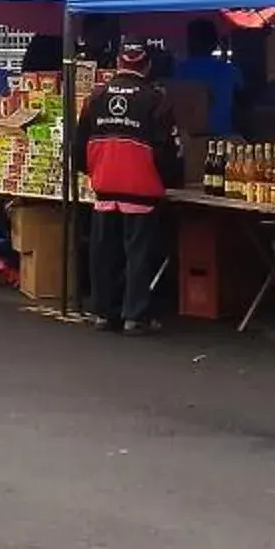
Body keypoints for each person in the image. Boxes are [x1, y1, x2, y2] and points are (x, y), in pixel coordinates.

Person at [72, 40, 183, 335]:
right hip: (142, 189)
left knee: (103, 253)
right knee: (139, 254)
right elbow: (168, 152)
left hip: (105, 187)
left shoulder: (95, 98)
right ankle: (136, 316)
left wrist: (95, 171)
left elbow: (78, 149)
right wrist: (171, 181)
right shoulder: (157, 100)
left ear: (119, 63)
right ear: (146, 66)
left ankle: (104, 314)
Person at [173, 18, 240, 137]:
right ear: (215, 44)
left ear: (189, 42)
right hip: (222, 137)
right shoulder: (229, 70)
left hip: (189, 137)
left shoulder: (181, 70)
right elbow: (240, 94)